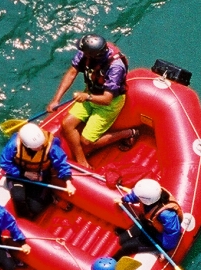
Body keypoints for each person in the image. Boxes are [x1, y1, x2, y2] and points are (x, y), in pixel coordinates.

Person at [48, 32, 136, 169]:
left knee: (87, 141)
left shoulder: (115, 67)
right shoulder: (87, 53)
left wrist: (87, 97)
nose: (80, 52)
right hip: (90, 93)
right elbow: (72, 73)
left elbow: (107, 99)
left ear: (94, 55)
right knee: (67, 124)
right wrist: (56, 99)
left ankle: (130, 133)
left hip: (108, 104)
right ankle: (82, 161)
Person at [0, 121, 71, 220]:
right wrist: (24, 173)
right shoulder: (14, 145)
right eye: (37, 146)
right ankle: (25, 219)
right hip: (18, 175)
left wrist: (68, 181)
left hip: (39, 176)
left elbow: (62, 163)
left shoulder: (51, 145)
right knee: (18, 198)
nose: (41, 147)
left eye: (41, 144)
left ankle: (50, 197)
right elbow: (5, 163)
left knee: (36, 208)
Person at [118, 177, 183, 257]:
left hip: (158, 235)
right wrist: (124, 199)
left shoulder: (167, 214)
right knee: (122, 239)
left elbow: (172, 233)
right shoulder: (151, 194)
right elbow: (136, 196)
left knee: (127, 247)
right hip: (148, 224)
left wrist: (165, 250)